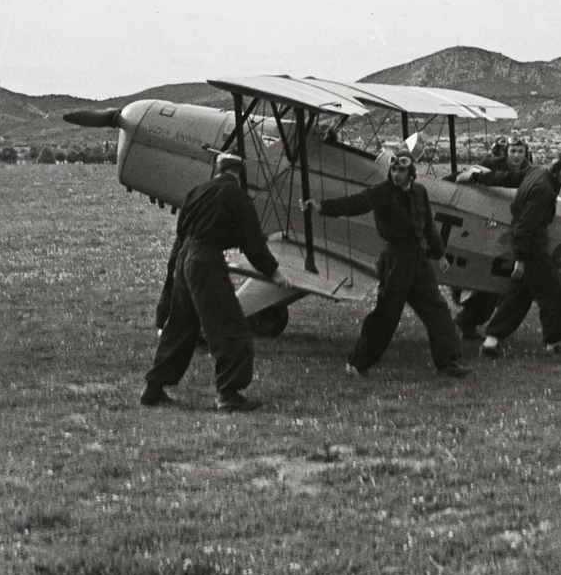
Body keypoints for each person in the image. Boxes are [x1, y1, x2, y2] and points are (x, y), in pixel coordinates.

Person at [142, 152, 288, 411]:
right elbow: (253, 244)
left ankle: (154, 387)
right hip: (206, 261)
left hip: (185, 257)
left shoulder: (197, 191)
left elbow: (182, 232)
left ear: (217, 170)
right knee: (230, 326)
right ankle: (228, 394)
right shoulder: (237, 196)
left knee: (180, 326)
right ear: (239, 174)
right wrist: (274, 272)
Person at [305, 150, 468, 378]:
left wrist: (440, 254)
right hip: (396, 260)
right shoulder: (382, 192)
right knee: (386, 315)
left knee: (437, 309)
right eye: (393, 170)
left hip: (418, 260)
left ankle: (447, 361)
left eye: (401, 170)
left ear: (410, 173)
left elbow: (429, 226)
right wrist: (322, 207)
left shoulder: (420, 192)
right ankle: (357, 363)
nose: (396, 174)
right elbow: (356, 203)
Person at [480, 155, 561, 358]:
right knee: (555, 295)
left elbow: (508, 178)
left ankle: (491, 341)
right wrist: (521, 260)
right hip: (532, 245)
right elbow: (525, 227)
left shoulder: (536, 171)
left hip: (529, 241)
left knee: (520, 295)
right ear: (557, 169)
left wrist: (480, 176)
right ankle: (552, 344)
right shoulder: (544, 190)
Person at [452, 139, 533, 339]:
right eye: (513, 151)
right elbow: (466, 175)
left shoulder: (528, 170)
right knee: (489, 276)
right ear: (506, 153)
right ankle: (467, 316)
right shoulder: (491, 165)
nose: (516, 156)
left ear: (525, 153)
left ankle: (468, 319)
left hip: (509, 228)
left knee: (497, 281)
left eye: (520, 151)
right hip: (484, 223)